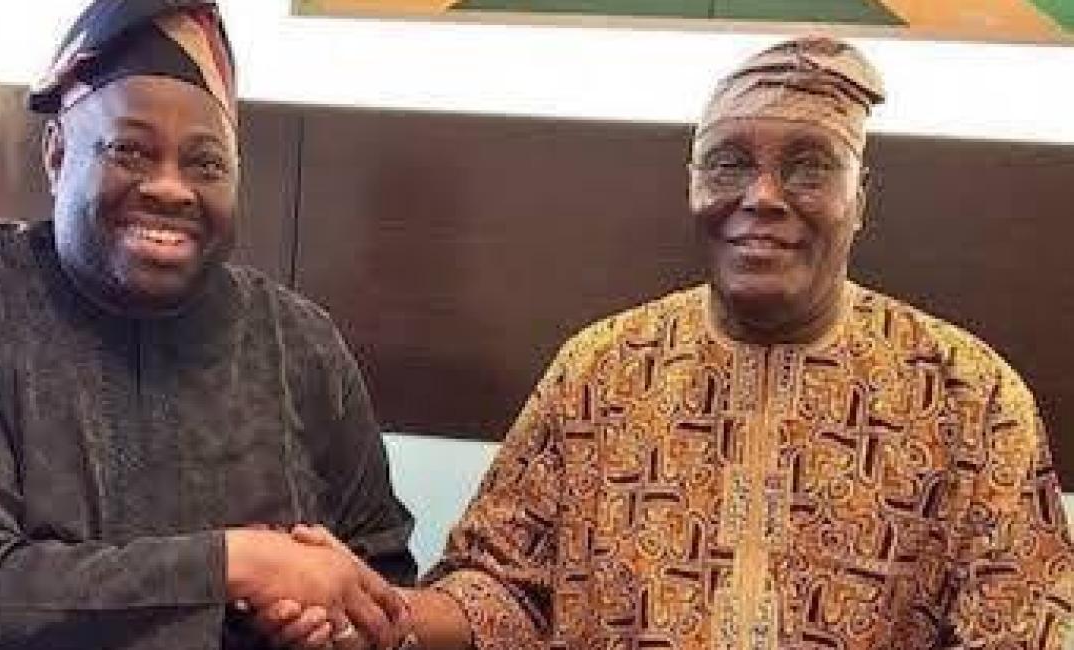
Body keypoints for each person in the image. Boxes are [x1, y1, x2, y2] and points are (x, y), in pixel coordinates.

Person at [268, 35, 1074, 649]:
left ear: (860, 196)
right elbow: (505, 591)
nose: (762, 196)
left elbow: (1025, 626)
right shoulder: (601, 371)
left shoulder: (970, 399)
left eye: (808, 167)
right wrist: (377, 613)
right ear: (691, 184)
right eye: (728, 164)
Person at [0, 1, 414, 648]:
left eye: (205, 163)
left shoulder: (299, 346)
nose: (170, 188)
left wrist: (331, 623)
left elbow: (382, 573)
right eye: (130, 151)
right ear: (57, 154)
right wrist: (237, 564)